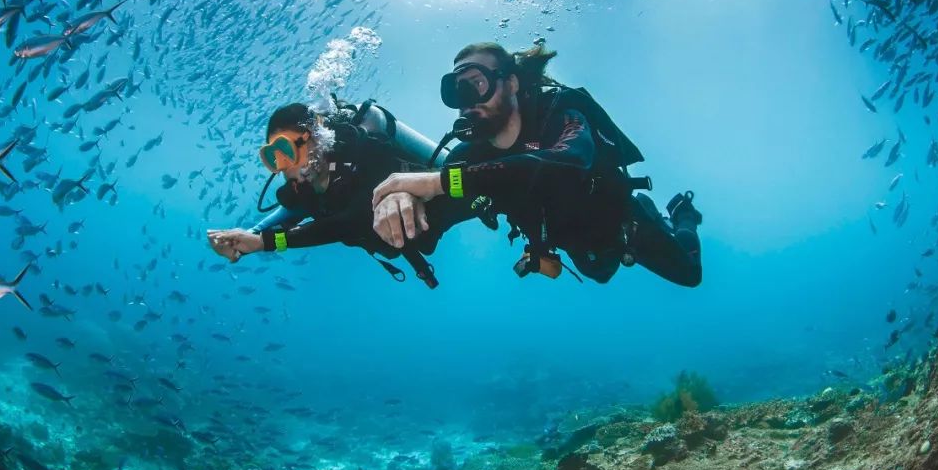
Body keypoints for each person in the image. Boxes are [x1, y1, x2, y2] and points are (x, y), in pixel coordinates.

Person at [370, 42, 703, 287]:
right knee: (599, 274)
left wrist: (436, 182)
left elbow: (569, 162)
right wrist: (401, 203)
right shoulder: (468, 160)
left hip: (623, 225)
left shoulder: (560, 117)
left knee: (690, 275)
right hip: (574, 245)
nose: (466, 101)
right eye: (457, 91)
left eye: (476, 84)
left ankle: (682, 215)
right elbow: (426, 235)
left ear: (512, 83)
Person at [208, 100, 445, 288]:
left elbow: (351, 221)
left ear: (313, 137)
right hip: (397, 240)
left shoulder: (363, 155)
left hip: (438, 208)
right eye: (273, 158)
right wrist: (245, 238)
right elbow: (290, 211)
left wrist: (264, 242)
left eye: (286, 151)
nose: (285, 167)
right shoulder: (306, 185)